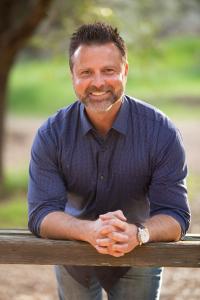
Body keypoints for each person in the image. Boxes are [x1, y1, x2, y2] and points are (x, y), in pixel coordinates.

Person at [28, 22, 191, 300]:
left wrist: (138, 234)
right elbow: (41, 212)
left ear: (125, 71)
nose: (98, 82)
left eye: (109, 70)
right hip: (72, 249)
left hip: (139, 251)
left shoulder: (160, 131)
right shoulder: (52, 134)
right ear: (72, 76)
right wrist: (88, 230)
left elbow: (176, 215)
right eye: (86, 72)